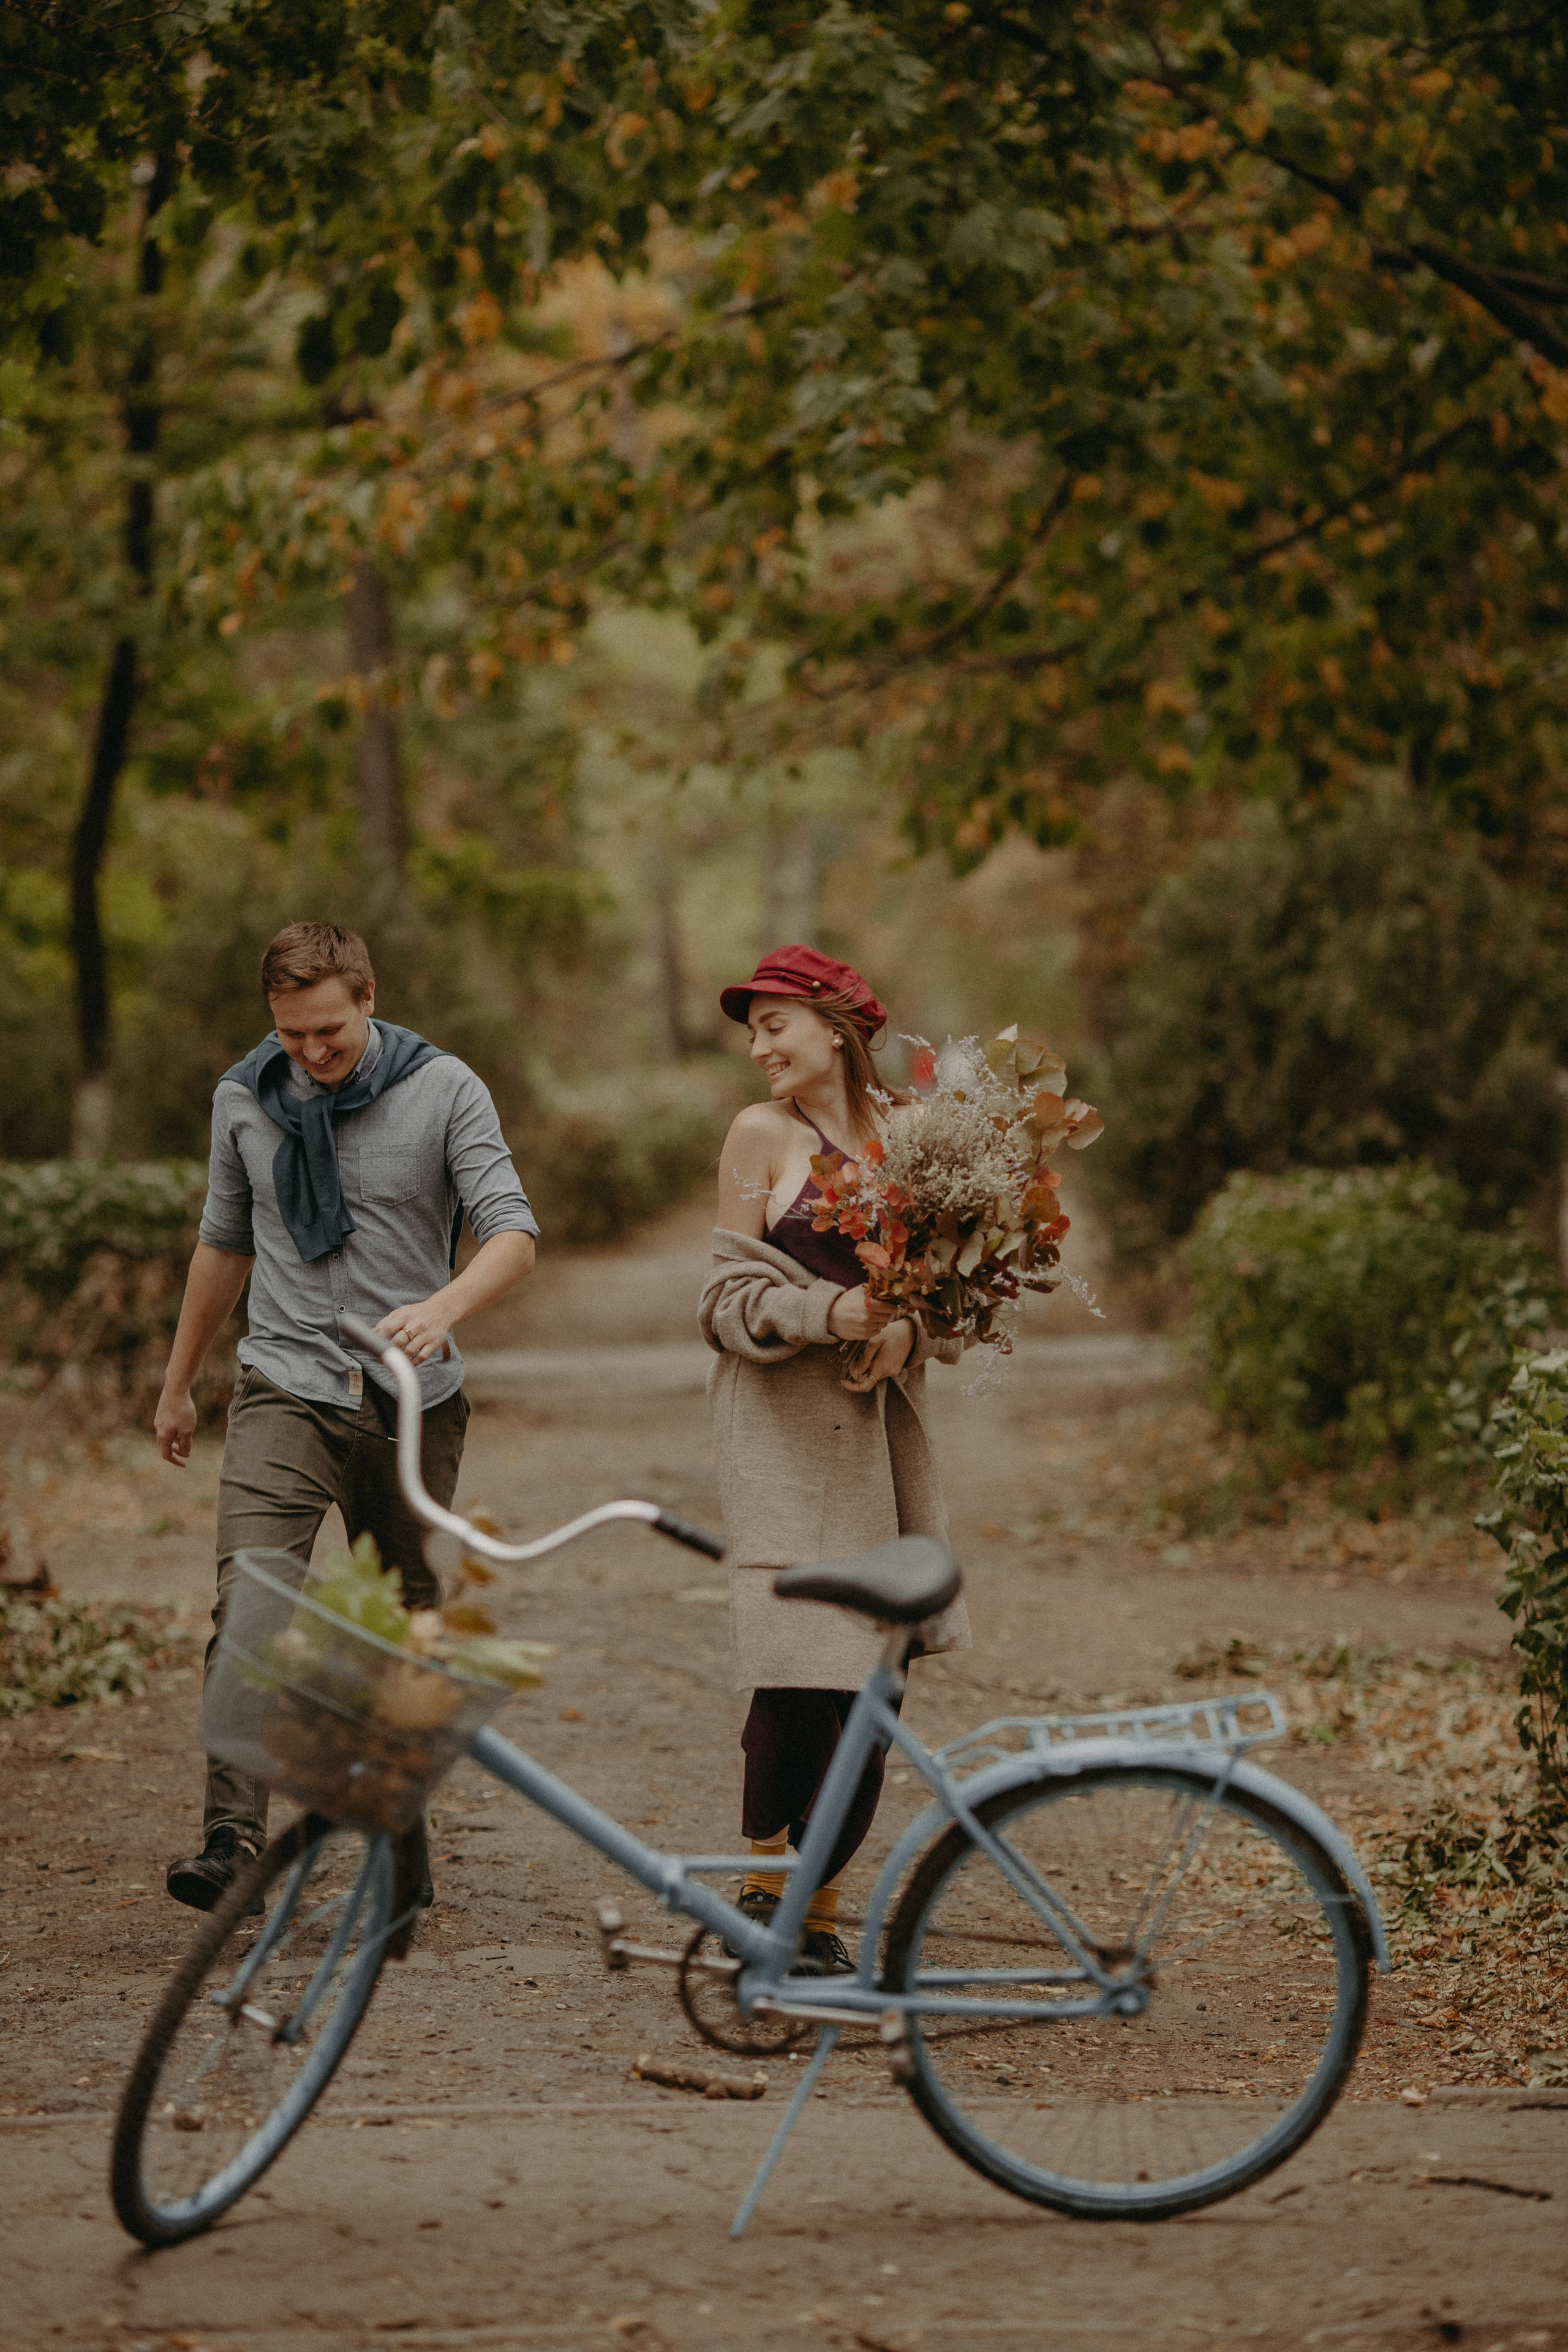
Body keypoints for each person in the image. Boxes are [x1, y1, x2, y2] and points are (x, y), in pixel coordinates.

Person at [154, 921, 539, 1910]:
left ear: (369, 996)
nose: (313, 1055)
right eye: (293, 1037)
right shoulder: (245, 1096)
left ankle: (394, 1849)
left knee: (404, 1628)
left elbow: (513, 1234)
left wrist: (443, 1309)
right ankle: (232, 1838)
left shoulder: (446, 1089)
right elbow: (223, 1243)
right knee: (253, 1597)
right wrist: (178, 1381)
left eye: (329, 1031)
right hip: (286, 1382)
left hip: (413, 1400)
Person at [701, 945, 970, 1972]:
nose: (760, 1046)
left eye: (775, 1024)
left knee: (873, 1680)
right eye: (753, 1030)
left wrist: (906, 1335)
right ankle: (776, 1904)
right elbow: (720, 1301)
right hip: (776, 1434)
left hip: (881, 1448)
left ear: (837, 1028)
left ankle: (814, 1901)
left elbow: (958, 1302)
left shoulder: (914, 1141)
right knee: (796, 1665)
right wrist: (833, 1312)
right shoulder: (757, 1137)